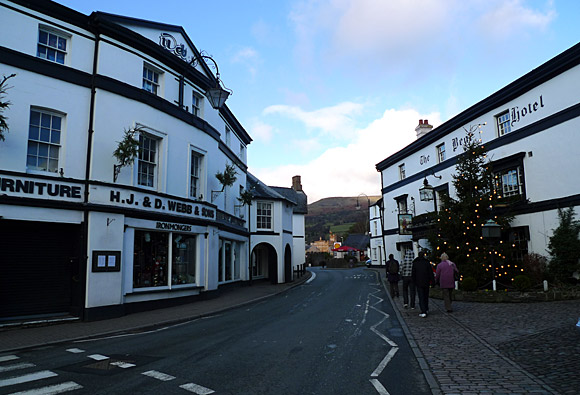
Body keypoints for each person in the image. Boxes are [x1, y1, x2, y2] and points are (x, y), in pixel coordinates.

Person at [411, 249, 434, 318]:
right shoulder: (427, 263)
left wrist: (413, 282)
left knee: (421, 296)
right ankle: (426, 308)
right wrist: (432, 281)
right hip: (426, 282)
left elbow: (413, 274)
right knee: (426, 296)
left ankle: (423, 310)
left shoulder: (415, 263)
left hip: (418, 282)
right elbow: (430, 273)